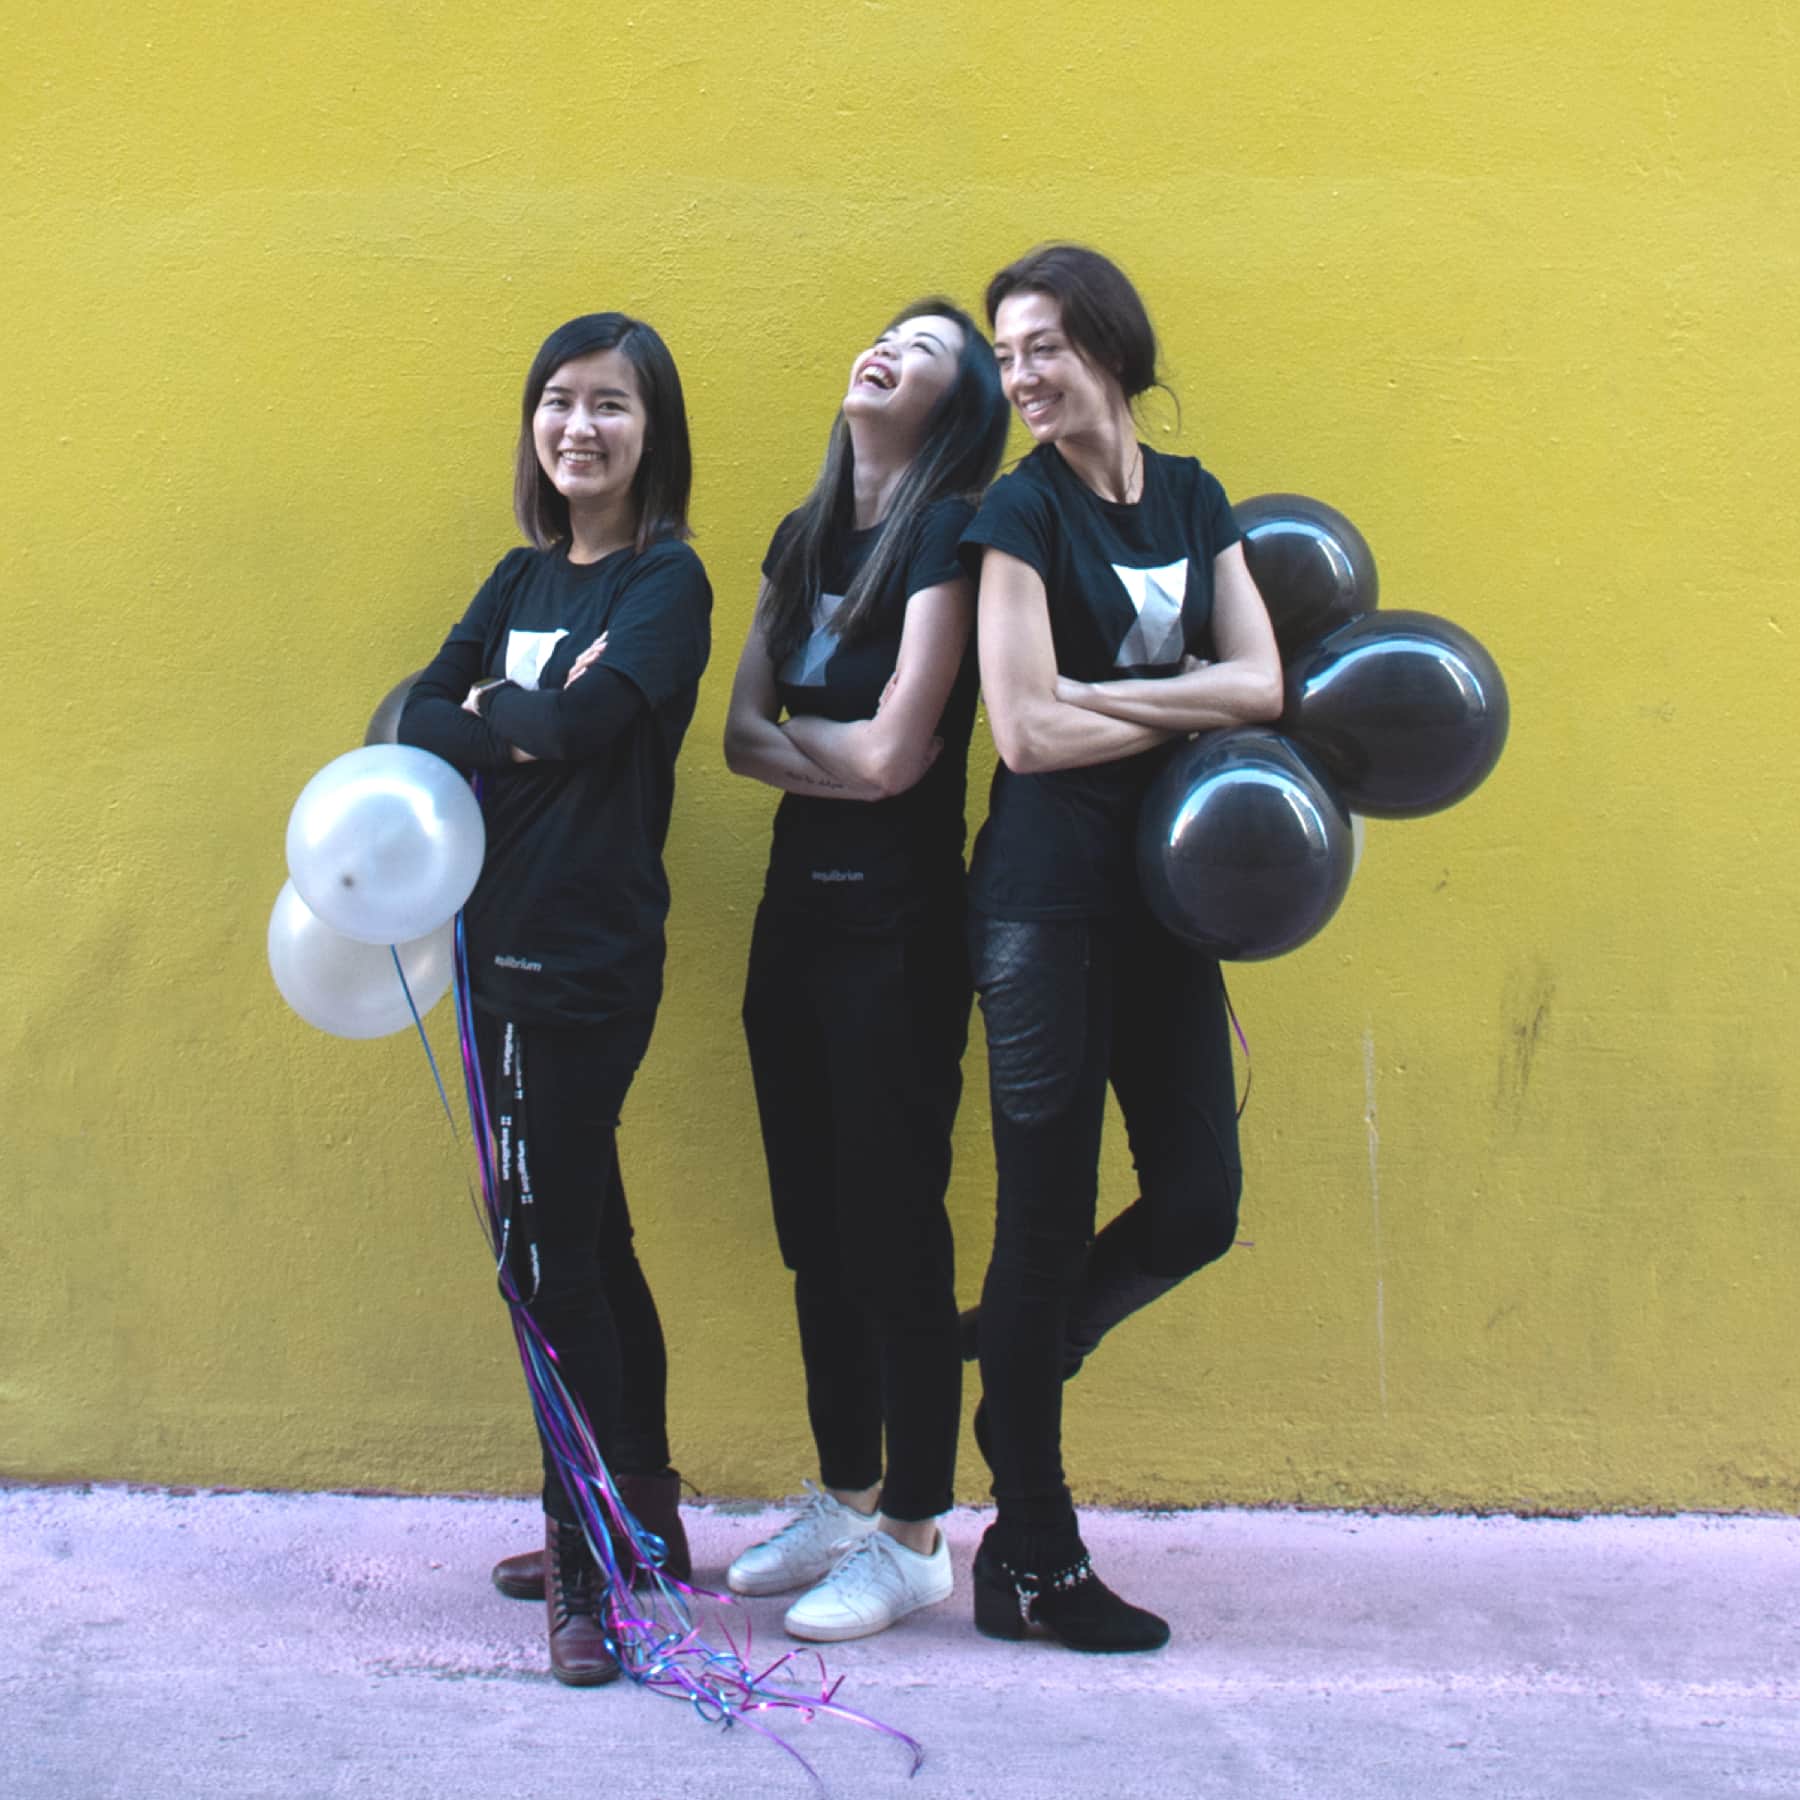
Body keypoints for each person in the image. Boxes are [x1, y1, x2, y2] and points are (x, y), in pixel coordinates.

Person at [957, 245, 1283, 1652]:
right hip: (1040, 906)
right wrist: (1185, 702)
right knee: (1041, 1215)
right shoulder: (1012, 519)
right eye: (1008, 354)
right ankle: (1031, 1550)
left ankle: (1023, 1363)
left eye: (1044, 346)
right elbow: (1023, 734)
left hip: (1167, 904)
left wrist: (1112, 694)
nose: (1023, 376)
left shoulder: (1199, 499)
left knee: (1199, 1199)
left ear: (1110, 343)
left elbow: (1271, 683)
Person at [397, 312, 711, 1686]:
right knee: (585, 1235)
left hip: (578, 960)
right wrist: (500, 722)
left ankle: (581, 1570)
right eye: (559, 403)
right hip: (488, 948)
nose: (580, 427)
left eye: (612, 407)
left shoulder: (667, 583)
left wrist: (507, 720)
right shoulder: (521, 578)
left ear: (655, 433)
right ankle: (642, 1516)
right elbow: (416, 712)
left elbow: (576, 730)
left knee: (543, 1260)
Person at [721, 299, 1008, 1641]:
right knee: (811, 1230)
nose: (890, 350)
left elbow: (901, 762)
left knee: (895, 1230)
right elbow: (736, 733)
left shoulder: (951, 537)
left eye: (932, 352)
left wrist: (815, 752)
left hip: (898, 932)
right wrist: (834, 756)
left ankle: (913, 1532)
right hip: (795, 921)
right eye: (889, 333)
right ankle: (842, 1495)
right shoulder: (801, 535)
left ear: (955, 411)